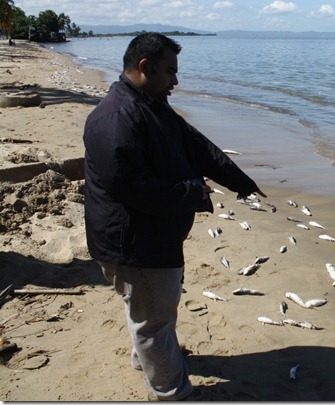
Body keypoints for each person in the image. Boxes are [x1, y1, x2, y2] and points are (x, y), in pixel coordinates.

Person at [83, 32, 266, 401]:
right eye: (170, 72)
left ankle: (145, 359)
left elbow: (197, 146)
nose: (176, 81)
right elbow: (129, 187)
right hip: (134, 245)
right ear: (145, 67)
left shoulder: (150, 103)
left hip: (152, 237)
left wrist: (240, 182)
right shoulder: (116, 118)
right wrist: (192, 193)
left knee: (150, 309)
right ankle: (172, 393)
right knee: (153, 319)